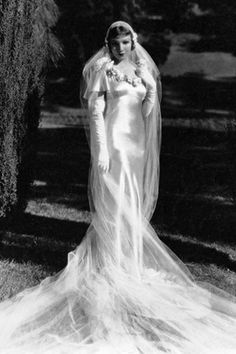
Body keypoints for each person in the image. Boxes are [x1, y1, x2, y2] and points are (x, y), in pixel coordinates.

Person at [0, 20, 236, 354]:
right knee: (115, 205)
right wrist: (102, 151)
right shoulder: (102, 70)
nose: (121, 48)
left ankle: (133, 266)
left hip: (136, 145)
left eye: (126, 43)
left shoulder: (139, 69)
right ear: (109, 44)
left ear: (132, 43)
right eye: (116, 43)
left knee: (133, 203)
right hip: (114, 145)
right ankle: (112, 264)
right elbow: (96, 113)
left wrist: (150, 89)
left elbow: (147, 111)